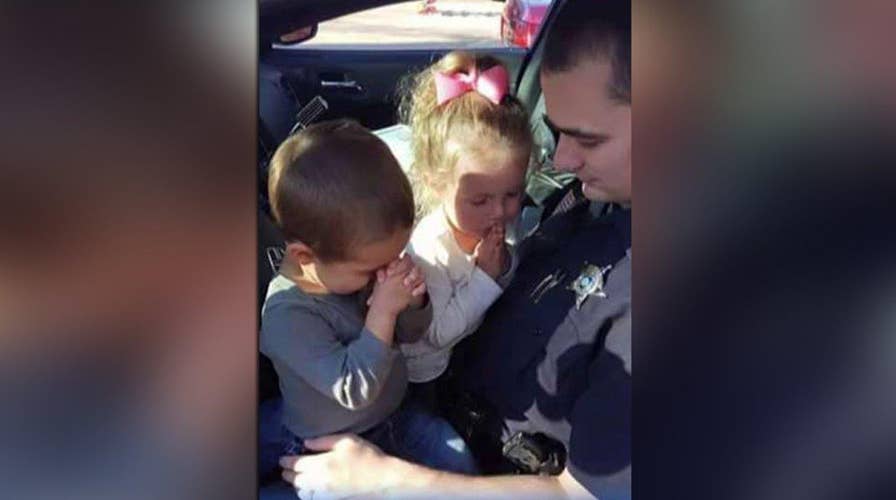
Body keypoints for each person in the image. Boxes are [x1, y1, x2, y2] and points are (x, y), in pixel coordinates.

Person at [278, 0, 631, 498]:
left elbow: (581, 492)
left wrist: (384, 480)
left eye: (588, 140)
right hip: (424, 396)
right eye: (557, 134)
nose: (565, 160)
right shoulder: (589, 203)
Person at [260, 120, 478, 497]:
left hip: (394, 413)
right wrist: (383, 311)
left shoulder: (351, 268)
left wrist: (413, 301)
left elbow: (411, 333)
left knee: (461, 464)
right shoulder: (287, 316)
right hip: (323, 442)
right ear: (304, 256)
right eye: (370, 268)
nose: (384, 272)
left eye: (393, 258)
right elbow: (352, 387)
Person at [398, 51, 532, 409]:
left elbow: (505, 275)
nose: (500, 212)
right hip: (426, 374)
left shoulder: (493, 221)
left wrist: (501, 266)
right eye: (481, 200)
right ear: (435, 183)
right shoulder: (431, 247)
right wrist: (488, 275)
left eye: (512, 194)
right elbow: (437, 332)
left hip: (469, 350)